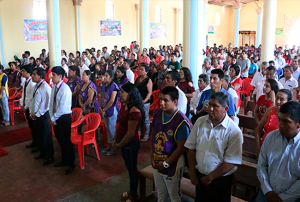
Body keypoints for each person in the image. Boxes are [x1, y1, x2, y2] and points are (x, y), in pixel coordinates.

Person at [185, 92, 243, 202]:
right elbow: (191, 149)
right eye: (209, 104)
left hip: (220, 180)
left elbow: (231, 162)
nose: (210, 109)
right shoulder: (200, 122)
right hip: (200, 176)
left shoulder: (233, 130)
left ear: (225, 109)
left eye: (215, 106)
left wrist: (209, 178)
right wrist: (192, 173)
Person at [151, 86, 191, 202]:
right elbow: (153, 136)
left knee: (174, 195)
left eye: (166, 100)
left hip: (173, 162)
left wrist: (166, 163)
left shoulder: (180, 121)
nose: (162, 103)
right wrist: (151, 157)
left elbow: (180, 148)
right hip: (157, 158)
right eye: (160, 99)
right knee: (161, 192)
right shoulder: (158, 113)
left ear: (175, 102)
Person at [255, 101, 300, 202]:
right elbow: (262, 165)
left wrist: (282, 198)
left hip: (293, 198)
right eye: (279, 119)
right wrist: (269, 192)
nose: (280, 124)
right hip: (266, 193)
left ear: (298, 124)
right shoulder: (271, 137)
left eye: (286, 121)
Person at [112, 82, 145, 202]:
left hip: (131, 144)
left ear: (130, 94)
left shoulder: (134, 110)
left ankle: (134, 195)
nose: (120, 94)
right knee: (129, 168)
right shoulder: (125, 105)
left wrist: (120, 144)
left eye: (122, 92)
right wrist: (115, 138)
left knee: (132, 170)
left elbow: (131, 133)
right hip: (123, 142)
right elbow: (120, 123)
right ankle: (132, 190)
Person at [49, 66, 75, 175]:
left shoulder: (65, 89)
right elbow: (51, 104)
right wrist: (51, 117)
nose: (51, 77)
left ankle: (71, 163)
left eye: (53, 75)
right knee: (60, 141)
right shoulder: (54, 87)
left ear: (60, 76)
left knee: (66, 141)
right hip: (56, 118)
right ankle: (64, 160)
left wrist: (53, 118)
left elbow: (62, 108)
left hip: (64, 118)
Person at [255, 89, 292, 154]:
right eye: (277, 98)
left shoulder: (291, 116)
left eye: (282, 99)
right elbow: (258, 130)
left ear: (289, 102)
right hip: (265, 148)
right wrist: (258, 149)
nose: (277, 101)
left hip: (280, 152)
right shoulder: (270, 110)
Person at [29, 67, 54, 166]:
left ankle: (49, 156)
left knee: (46, 136)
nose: (32, 76)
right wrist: (31, 112)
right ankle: (43, 153)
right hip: (36, 115)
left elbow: (46, 104)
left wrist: (37, 114)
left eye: (34, 74)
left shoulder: (46, 87)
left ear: (40, 76)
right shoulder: (36, 86)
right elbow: (33, 100)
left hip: (43, 116)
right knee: (40, 135)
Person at [100, 70, 119, 155]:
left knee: (111, 129)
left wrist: (104, 110)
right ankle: (109, 144)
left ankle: (114, 146)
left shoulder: (114, 86)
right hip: (104, 109)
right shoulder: (103, 85)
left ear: (111, 78)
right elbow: (101, 97)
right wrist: (101, 108)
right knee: (107, 128)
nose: (104, 77)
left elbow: (112, 100)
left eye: (106, 76)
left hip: (111, 109)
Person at [135, 64, 152, 141]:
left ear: (146, 72)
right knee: (138, 118)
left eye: (142, 69)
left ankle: (147, 134)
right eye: (140, 69)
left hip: (145, 102)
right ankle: (139, 132)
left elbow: (149, 92)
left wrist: (144, 101)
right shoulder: (138, 78)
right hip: (138, 101)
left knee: (145, 118)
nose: (140, 70)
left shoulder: (148, 80)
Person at [21, 65, 36, 148]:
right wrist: (22, 105)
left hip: (30, 107)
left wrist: (26, 106)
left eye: (24, 71)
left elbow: (31, 98)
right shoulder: (25, 82)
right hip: (26, 106)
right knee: (31, 126)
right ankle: (34, 141)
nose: (22, 72)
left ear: (29, 73)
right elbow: (24, 95)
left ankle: (36, 142)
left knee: (34, 126)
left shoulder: (32, 84)